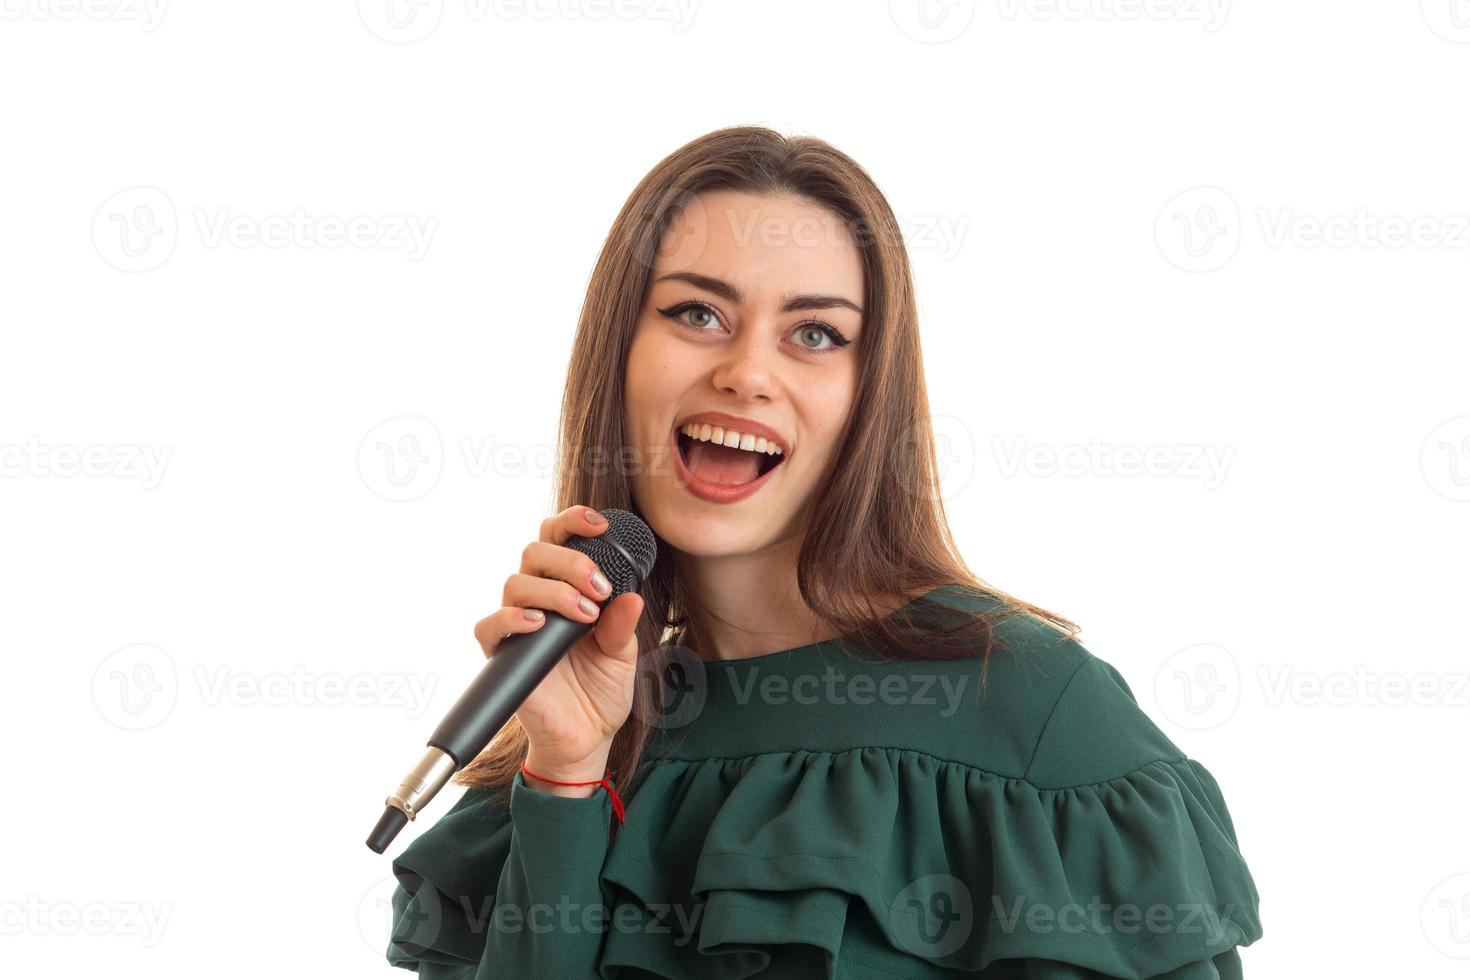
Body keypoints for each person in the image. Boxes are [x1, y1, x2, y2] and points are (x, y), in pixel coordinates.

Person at [384, 126, 1263, 979]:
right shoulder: (540, 771)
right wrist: (567, 781)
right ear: (619, 354)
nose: (746, 373)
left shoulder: (1038, 715)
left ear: (867, 393)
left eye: (814, 334)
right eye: (698, 313)